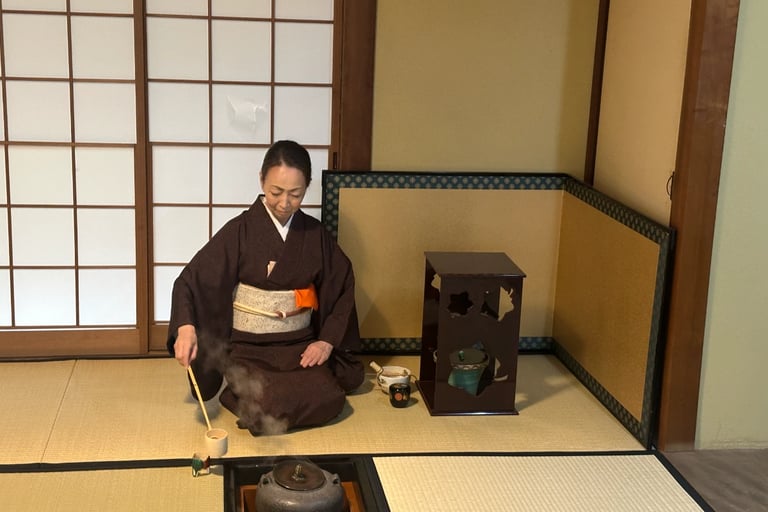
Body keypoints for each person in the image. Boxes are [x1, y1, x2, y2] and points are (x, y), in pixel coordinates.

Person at [167, 140, 364, 435]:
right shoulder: (240, 231)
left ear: (307, 187)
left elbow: (343, 281)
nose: (285, 203)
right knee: (269, 404)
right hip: (249, 350)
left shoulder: (314, 235)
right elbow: (191, 280)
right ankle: (237, 391)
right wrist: (186, 328)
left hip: (298, 347)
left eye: (296, 194)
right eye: (276, 192)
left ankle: (246, 395)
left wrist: (325, 341)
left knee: (331, 399)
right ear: (262, 180)